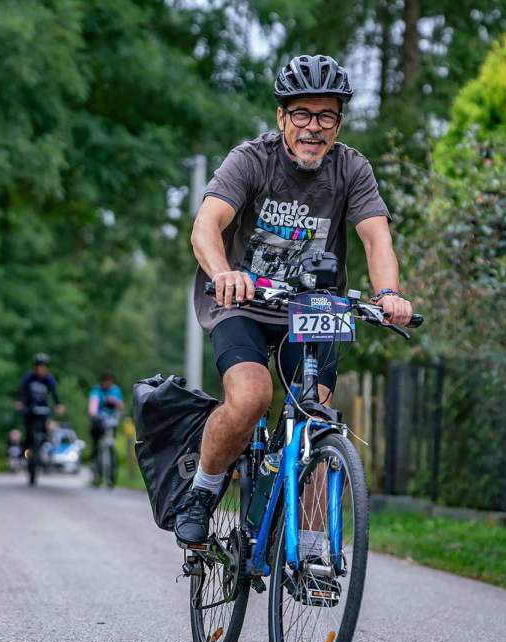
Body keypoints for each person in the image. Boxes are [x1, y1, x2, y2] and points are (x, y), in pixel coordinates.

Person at [176, 53, 414, 545]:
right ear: (282, 117)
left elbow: (377, 239)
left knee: (314, 422)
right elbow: (206, 225)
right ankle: (204, 487)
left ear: (339, 122)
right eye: (302, 114)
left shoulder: (352, 168)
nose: (313, 127)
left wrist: (389, 293)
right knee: (251, 398)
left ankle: (308, 551)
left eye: (325, 115)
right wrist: (224, 274)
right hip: (239, 303)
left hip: (312, 313)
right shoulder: (251, 160)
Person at [15, 353, 65, 449]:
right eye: (38, 366)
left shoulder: (48, 379)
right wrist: (20, 402)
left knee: (48, 429)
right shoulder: (29, 378)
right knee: (28, 432)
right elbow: (22, 391)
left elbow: (54, 393)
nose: (40, 369)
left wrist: (58, 404)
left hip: (43, 410)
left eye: (43, 366)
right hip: (30, 410)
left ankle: (47, 450)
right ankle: (25, 453)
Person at [88, 371, 124, 462]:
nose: (108, 385)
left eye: (110, 382)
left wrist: (115, 402)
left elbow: (121, 406)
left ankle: (112, 463)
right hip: (99, 421)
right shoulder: (96, 391)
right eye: (106, 382)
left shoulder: (116, 390)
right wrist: (93, 413)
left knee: (111, 442)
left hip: (111, 421)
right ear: (102, 382)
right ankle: (94, 460)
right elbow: (93, 406)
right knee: (96, 440)